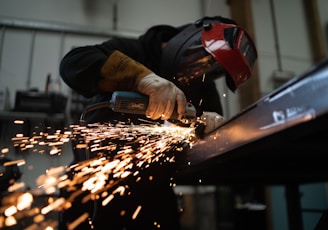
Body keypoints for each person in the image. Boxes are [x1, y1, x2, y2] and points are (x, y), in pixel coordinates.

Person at [58, 16, 257, 230]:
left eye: (213, 69)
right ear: (189, 38)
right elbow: (73, 63)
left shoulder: (203, 88)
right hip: (92, 185)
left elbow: (204, 153)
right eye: (203, 59)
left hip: (154, 195)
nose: (202, 71)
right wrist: (141, 78)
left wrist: (210, 133)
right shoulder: (134, 51)